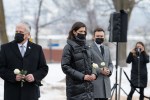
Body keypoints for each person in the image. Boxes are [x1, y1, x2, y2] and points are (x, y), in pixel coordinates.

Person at [0, 22, 49, 100]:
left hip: (31, 93)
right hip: (12, 93)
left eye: (21, 32)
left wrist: (34, 76)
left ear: (28, 35)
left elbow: (44, 68)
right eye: (16, 32)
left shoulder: (37, 49)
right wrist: (13, 77)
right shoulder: (5, 48)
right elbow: (1, 68)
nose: (18, 34)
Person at [61, 21, 97, 100]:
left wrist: (94, 73)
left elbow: (93, 63)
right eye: (80, 31)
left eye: (84, 31)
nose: (83, 33)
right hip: (75, 91)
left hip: (89, 90)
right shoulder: (68, 47)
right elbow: (65, 67)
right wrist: (82, 76)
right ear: (74, 32)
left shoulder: (87, 47)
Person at [90, 27, 113, 100]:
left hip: (105, 84)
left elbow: (110, 63)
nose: (100, 37)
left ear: (104, 37)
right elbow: (88, 64)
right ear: (94, 37)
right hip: (95, 83)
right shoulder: (89, 48)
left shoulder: (106, 48)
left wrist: (109, 70)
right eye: (97, 36)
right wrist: (100, 70)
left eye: (101, 36)